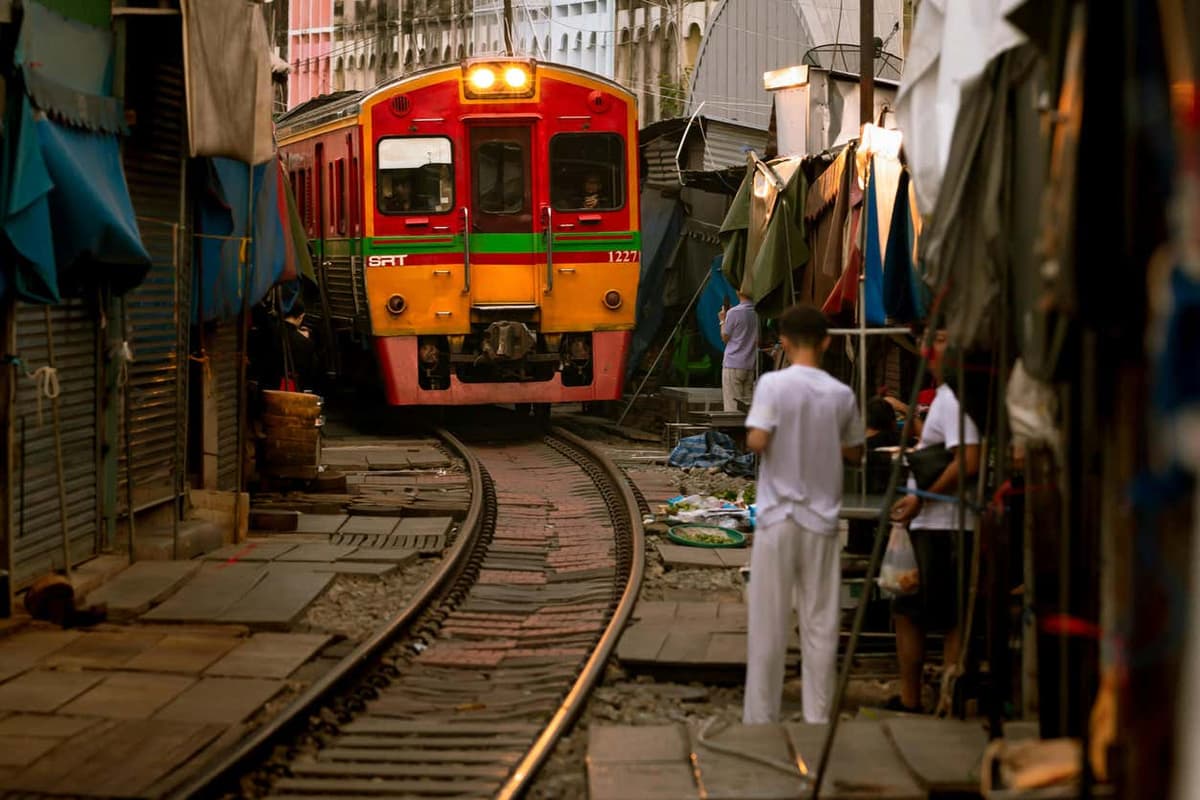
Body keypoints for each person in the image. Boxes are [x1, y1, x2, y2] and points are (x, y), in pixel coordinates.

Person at [743, 304, 864, 724]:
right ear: (828, 342)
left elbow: (758, 441)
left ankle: (760, 717)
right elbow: (855, 452)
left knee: (768, 622)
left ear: (785, 343)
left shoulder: (773, 385)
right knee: (820, 622)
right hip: (821, 520)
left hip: (778, 517)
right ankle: (818, 716)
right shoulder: (841, 394)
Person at [887, 329, 981, 713]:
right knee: (912, 610)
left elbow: (969, 460)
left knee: (926, 614)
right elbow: (947, 446)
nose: (930, 349)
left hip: (943, 524)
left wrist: (920, 498)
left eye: (941, 339)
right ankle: (927, 696)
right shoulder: (946, 397)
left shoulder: (958, 397)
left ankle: (942, 697)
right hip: (934, 522)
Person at [845, 396, 902, 554]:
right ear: (892, 421)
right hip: (897, 510)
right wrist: (906, 409)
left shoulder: (856, 452)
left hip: (858, 516)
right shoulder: (902, 443)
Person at [719, 291, 758, 412]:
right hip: (750, 365)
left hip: (733, 364)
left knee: (732, 408)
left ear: (738, 292)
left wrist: (722, 320)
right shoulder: (757, 313)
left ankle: (733, 431)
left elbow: (725, 337)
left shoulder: (733, 312)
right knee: (747, 409)